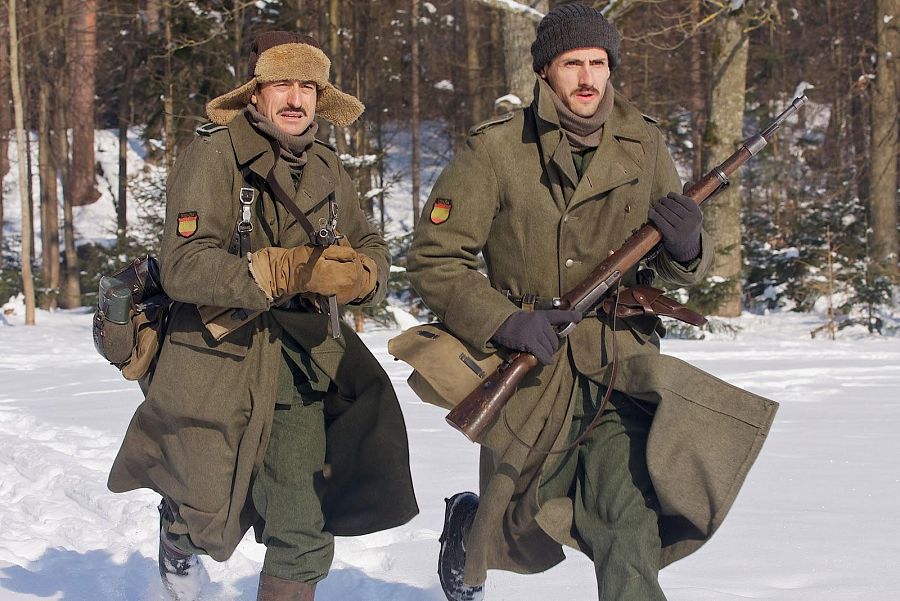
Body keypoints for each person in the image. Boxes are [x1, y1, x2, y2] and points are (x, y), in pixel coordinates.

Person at [406, 4, 777, 600]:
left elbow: (668, 263)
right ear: (545, 72)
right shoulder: (497, 150)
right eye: (571, 63)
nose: (586, 78)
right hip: (530, 364)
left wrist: (686, 247)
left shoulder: (643, 144)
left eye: (598, 63)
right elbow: (434, 258)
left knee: (625, 522)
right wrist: (505, 321)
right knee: (521, 519)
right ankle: (468, 528)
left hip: (617, 364)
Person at [107, 31, 418, 601]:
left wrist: (364, 274)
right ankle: (177, 534)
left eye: (307, 85)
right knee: (208, 514)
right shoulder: (214, 154)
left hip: (300, 366)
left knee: (303, 531)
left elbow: (370, 238)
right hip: (217, 362)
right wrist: (290, 270)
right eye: (282, 84)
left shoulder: (326, 164)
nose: (296, 98)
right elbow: (184, 266)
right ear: (256, 93)